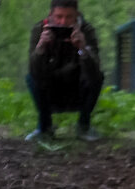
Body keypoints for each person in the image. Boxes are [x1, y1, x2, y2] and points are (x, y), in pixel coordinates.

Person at [25, 0, 103, 142]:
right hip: (51, 88)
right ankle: (44, 127)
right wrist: (41, 48)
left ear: (77, 16)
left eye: (69, 17)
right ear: (51, 15)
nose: (63, 22)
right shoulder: (40, 29)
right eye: (59, 17)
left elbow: (95, 72)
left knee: (97, 76)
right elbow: (33, 71)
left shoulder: (86, 30)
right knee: (31, 78)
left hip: (77, 89)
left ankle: (84, 126)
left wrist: (83, 48)